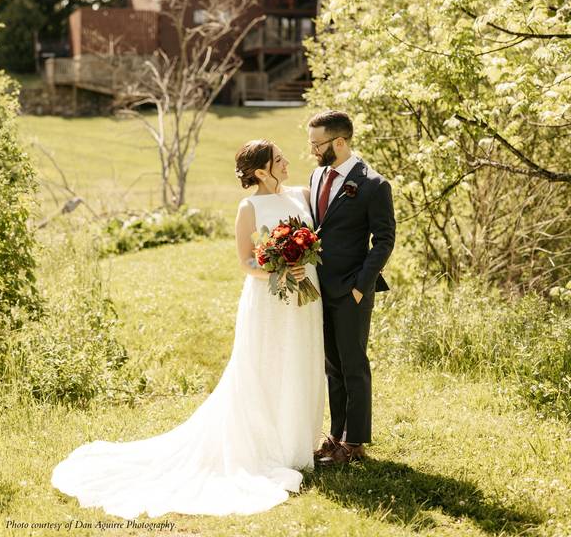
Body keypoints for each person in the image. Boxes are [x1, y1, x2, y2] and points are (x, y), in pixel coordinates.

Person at [50, 140, 325, 519]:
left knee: (302, 360)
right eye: (278, 160)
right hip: (269, 300)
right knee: (266, 366)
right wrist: (279, 270)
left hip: (306, 300)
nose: (286, 161)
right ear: (261, 171)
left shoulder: (302, 195)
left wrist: (303, 262)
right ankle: (270, 446)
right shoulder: (249, 207)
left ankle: (300, 442)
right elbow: (246, 262)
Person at [306, 110, 396, 466]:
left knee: (353, 365)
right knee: (333, 367)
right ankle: (336, 435)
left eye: (318, 144)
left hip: (352, 290)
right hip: (320, 288)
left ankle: (355, 443)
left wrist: (362, 286)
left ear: (339, 142)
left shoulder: (373, 184)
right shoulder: (316, 176)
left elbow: (385, 239)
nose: (312, 150)